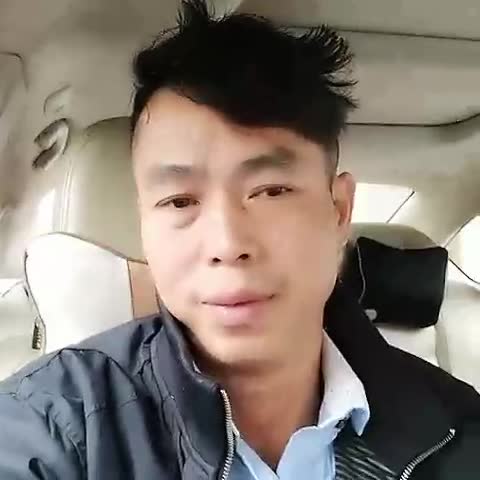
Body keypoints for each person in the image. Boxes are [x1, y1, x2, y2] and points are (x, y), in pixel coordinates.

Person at [1, 0, 479, 478]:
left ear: (338, 211)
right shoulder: (50, 427)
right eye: (180, 201)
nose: (227, 245)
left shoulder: (458, 430)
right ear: (144, 224)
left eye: (271, 192)